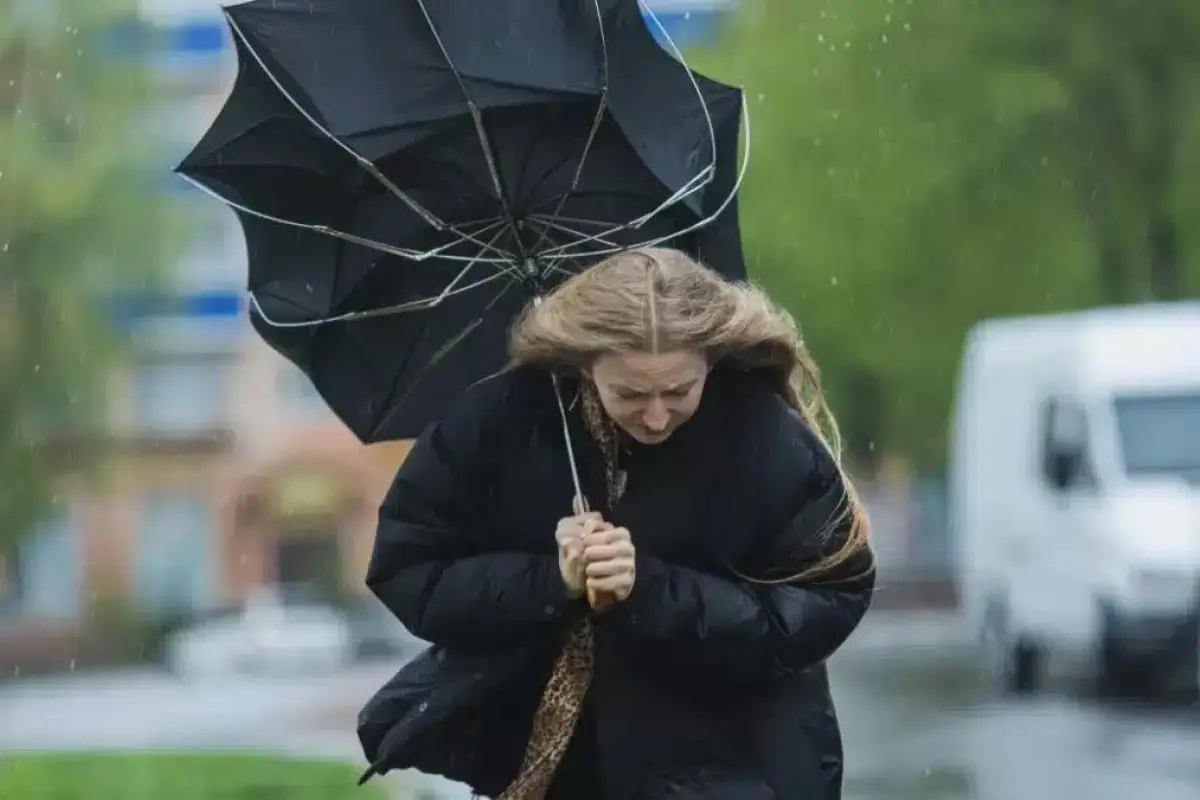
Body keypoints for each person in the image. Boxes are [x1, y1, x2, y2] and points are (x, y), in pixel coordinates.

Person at [359, 246, 876, 799]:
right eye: (628, 393)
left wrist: (648, 589)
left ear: (710, 360)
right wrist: (551, 581)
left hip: (730, 772)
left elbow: (823, 603)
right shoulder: (498, 421)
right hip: (557, 772)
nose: (655, 416)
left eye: (679, 391)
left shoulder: (765, 440)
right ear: (585, 363)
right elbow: (409, 570)